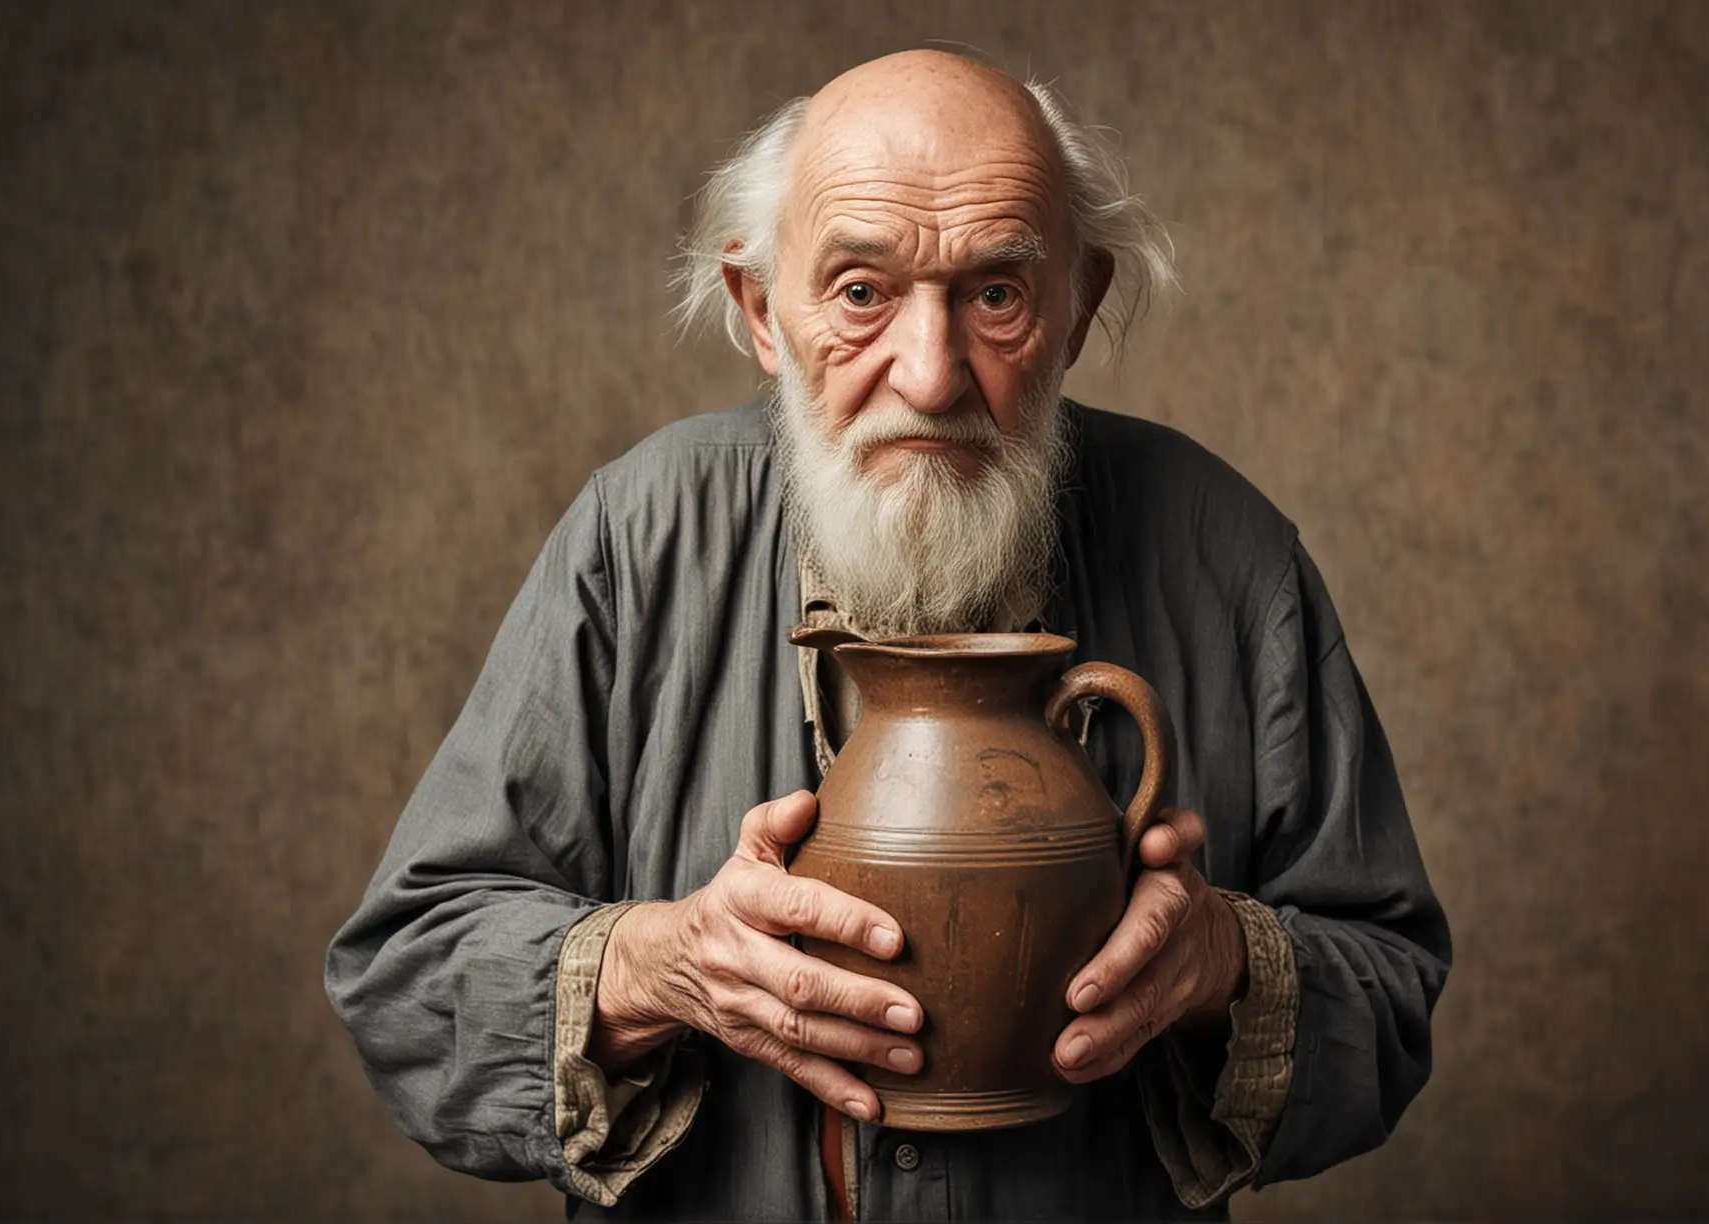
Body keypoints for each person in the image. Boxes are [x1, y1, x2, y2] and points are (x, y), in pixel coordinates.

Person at [325, 49, 1450, 1223]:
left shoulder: (1227, 555)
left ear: (1078, 309)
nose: (930, 372)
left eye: (997, 294)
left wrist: (1222, 967)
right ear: (763, 312)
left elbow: (1392, 989)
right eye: (861, 293)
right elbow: (405, 977)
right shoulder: (638, 539)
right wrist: (661, 969)